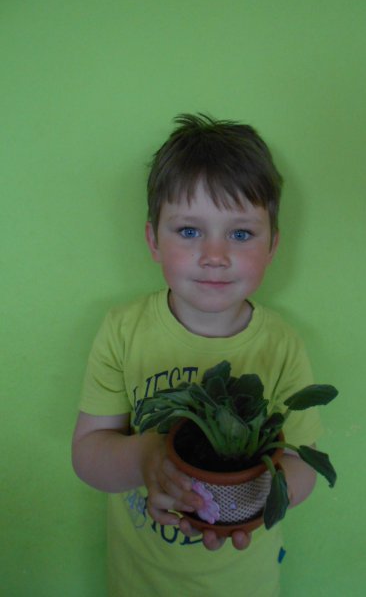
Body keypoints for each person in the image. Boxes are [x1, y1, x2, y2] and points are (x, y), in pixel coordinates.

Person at [72, 113, 323, 596]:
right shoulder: (122, 330)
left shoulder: (282, 344)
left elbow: (302, 464)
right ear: (153, 240)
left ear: (273, 245)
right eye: (189, 231)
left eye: (241, 234)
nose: (214, 255)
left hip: (245, 582)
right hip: (140, 582)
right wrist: (146, 458)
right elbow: (87, 454)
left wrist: (245, 500)